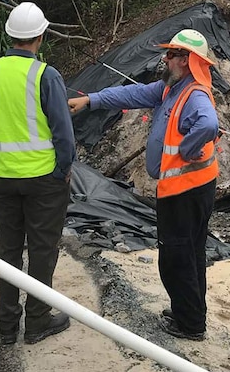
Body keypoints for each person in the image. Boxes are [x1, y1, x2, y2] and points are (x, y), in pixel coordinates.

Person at [67, 29, 219, 341]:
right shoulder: (172, 89)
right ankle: (187, 311)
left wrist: (189, 149)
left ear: (190, 61)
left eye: (175, 54)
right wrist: (90, 100)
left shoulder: (195, 95)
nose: (168, 58)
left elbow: (209, 124)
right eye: (169, 52)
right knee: (190, 253)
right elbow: (131, 95)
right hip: (192, 187)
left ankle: (190, 325)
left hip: (185, 191)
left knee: (177, 257)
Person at [0, 2, 75, 346]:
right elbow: (63, 133)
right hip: (44, 179)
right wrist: (63, 170)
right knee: (43, 250)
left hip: (3, 178)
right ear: (41, 37)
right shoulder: (45, 75)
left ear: (9, 36)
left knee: (8, 249)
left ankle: (6, 326)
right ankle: (37, 322)